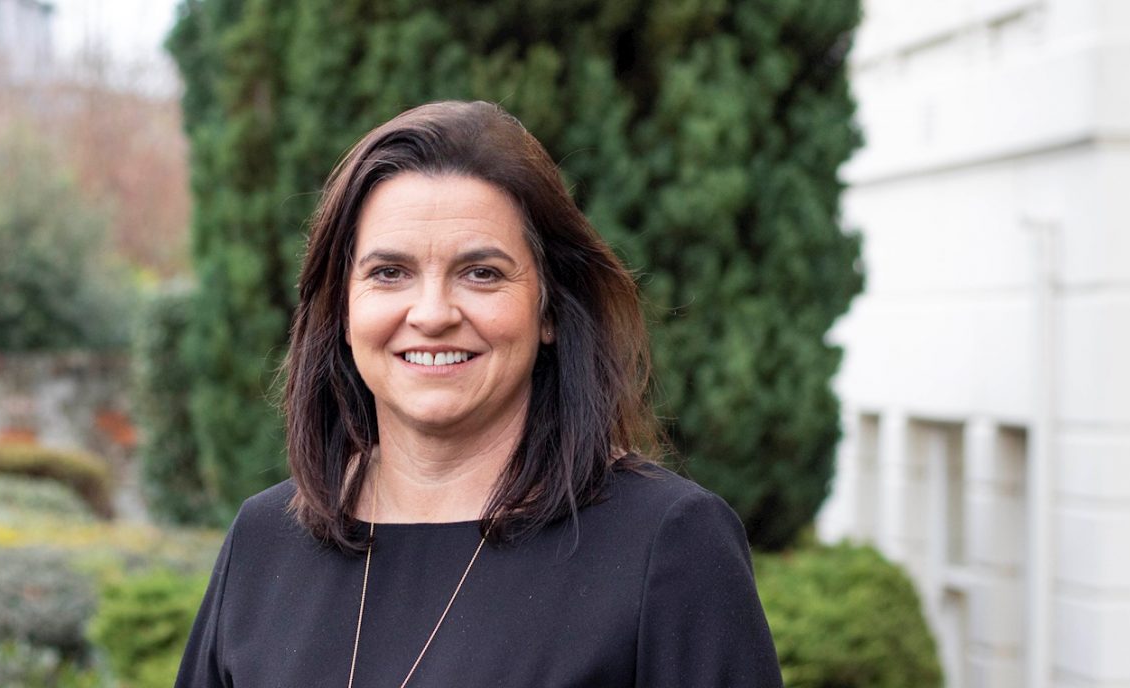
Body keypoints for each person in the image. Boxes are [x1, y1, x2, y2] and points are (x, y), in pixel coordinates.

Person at [173, 101, 782, 687]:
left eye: (481, 273)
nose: (432, 313)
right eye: (390, 273)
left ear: (548, 308)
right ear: (341, 307)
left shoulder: (668, 544)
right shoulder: (264, 540)